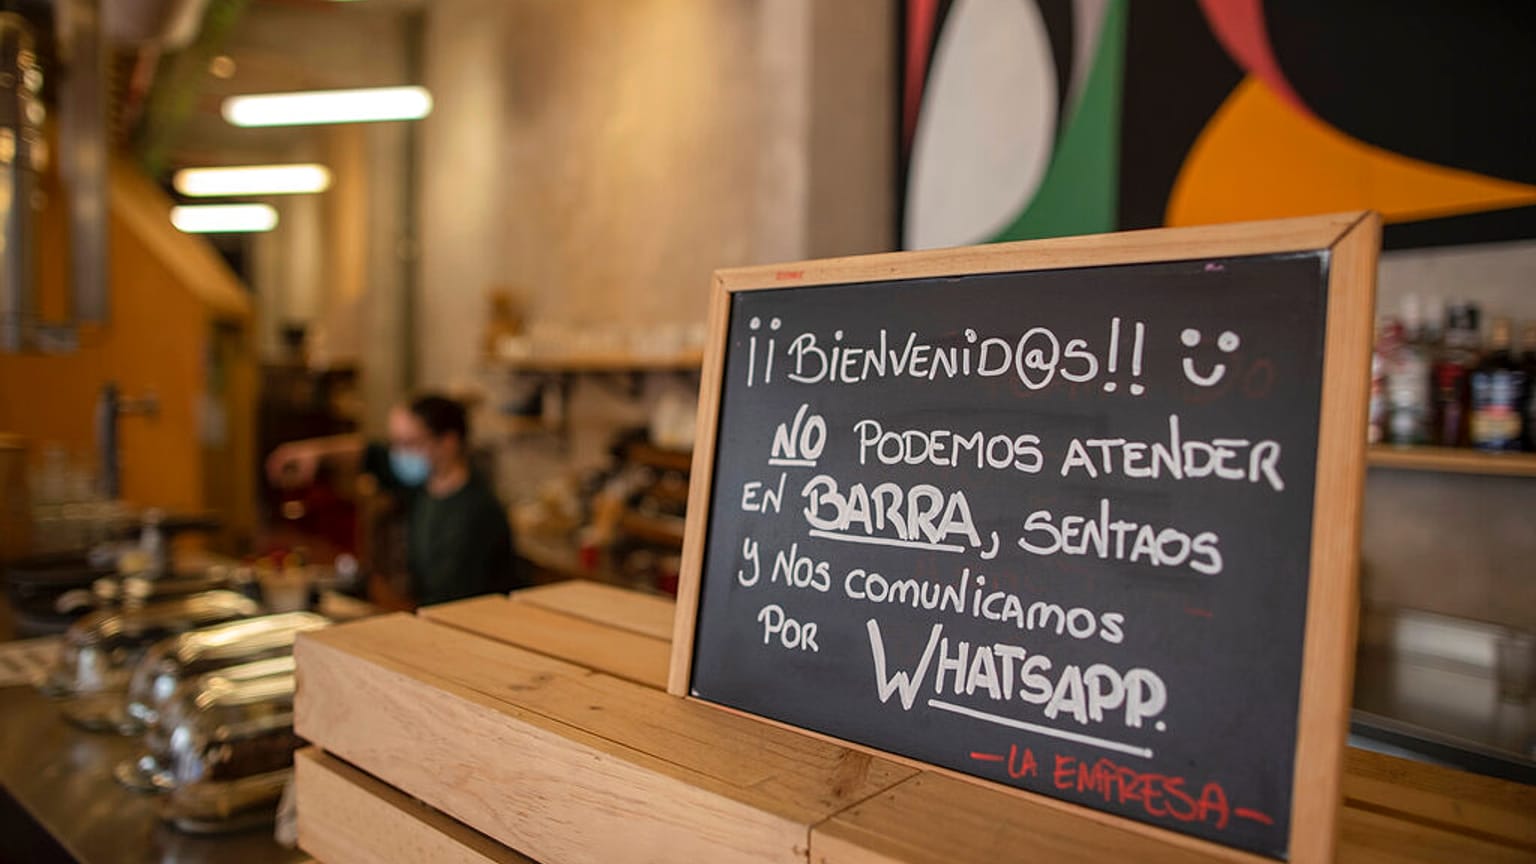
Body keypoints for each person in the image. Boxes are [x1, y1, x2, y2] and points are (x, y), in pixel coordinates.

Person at [266, 394, 520, 606]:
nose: (399, 455)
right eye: (395, 444)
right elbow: (369, 454)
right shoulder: (423, 486)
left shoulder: (474, 514)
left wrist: (377, 591)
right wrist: (315, 453)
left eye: (408, 443)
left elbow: (447, 605)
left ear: (448, 443)